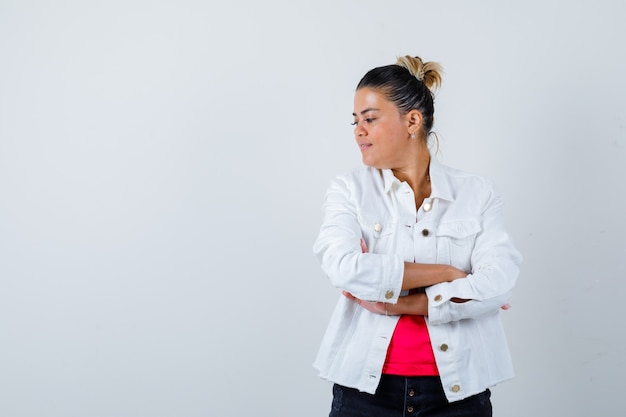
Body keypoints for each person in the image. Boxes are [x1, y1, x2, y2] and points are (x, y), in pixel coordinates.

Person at [312, 55, 522, 417]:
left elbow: (499, 283)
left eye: (370, 119)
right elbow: (343, 267)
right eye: (355, 121)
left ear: (412, 121)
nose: (358, 131)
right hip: (365, 395)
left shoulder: (477, 193)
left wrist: (399, 302)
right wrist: (450, 274)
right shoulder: (348, 189)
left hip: (458, 396)